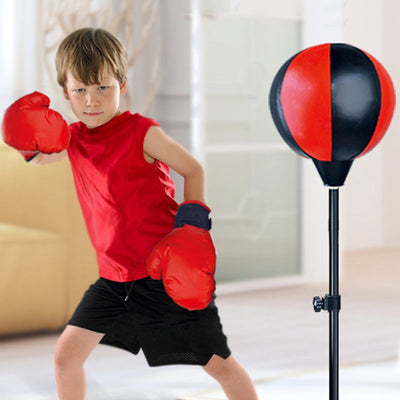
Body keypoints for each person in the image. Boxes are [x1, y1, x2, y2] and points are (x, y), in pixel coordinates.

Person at [1, 27, 258, 400]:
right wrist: (22, 131)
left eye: (103, 87)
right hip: (114, 281)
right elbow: (39, 158)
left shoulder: (142, 133)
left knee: (218, 363)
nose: (92, 100)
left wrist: (192, 230)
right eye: (80, 90)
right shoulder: (72, 138)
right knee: (65, 357)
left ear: (122, 83)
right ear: (65, 93)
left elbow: (193, 169)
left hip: (165, 276)